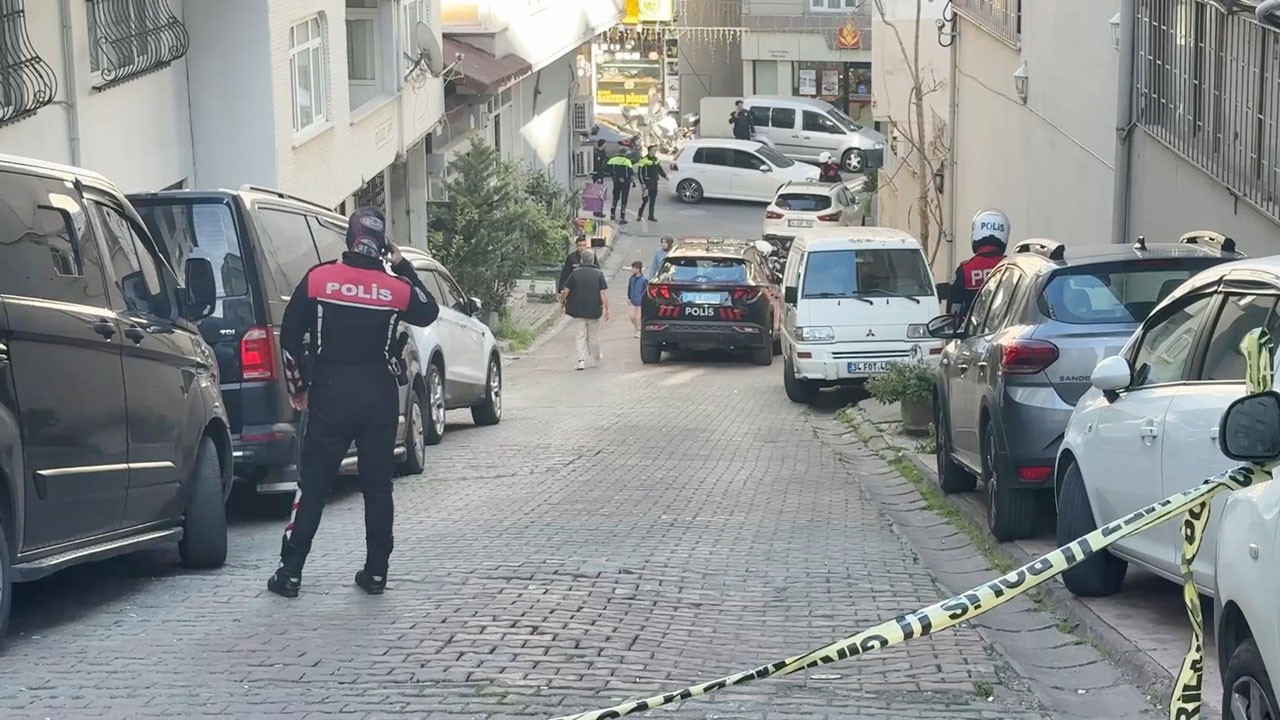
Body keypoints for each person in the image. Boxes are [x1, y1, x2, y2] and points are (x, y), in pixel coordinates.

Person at [269, 207, 440, 599]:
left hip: (330, 393)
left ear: (349, 239)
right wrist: (404, 267)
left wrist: (298, 387)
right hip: (379, 397)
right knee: (378, 489)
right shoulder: (394, 288)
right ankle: (376, 573)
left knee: (313, 486)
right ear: (383, 247)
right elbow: (428, 310)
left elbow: (290, 339)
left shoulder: (318, 278)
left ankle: (291, 572)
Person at [947, 208, 1011, 318]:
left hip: (971, 333)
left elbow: (953, 313)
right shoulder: (1011, 267)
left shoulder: (965, 270)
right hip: (1005, 332)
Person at [560, 249, 609, 370]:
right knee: (593, 336)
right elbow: (602, 292)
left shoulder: (575, 273)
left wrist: (562, 300)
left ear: (581, 260)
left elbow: (566, 290)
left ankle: (581, 360)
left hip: (578, 310)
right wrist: (607, 308)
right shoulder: (598, 273)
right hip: (594, 310)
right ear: (593, 260)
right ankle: (596, 359)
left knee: (580, 335)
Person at [635, 149, 668, 223]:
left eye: (655, 151)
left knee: (653, 200)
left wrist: (665, 176)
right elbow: (640, 173)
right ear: (649, 151)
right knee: (645, 200)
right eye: (653, 150)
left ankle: (651, 216)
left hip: (654, 182)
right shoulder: (644, 160)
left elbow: (659, 169)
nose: (654, 152)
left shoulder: (656, 160)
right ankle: (639, 215)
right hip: (647, 182)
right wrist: (642, 183)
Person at [607, 150, 635, 224]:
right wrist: (633, 182)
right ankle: (622, 218)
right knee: (624, 199)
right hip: (626, 182)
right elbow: (631, 173)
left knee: (615, 198)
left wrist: (613, 175)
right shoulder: (627, 161)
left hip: (616, 181)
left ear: (619, 153)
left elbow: (607, 168)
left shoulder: (613, 160)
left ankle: (612, 214)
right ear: (625, 153)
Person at [627, 261, 648, 339]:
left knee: (638, 317)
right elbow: (629, 288)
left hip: (640, 302)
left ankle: (638, 330)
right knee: (631, 316)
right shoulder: (632, 278)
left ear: (638, 269)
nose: (632, 269)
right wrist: (629, 297)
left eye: (633, 268)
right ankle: (637, 327)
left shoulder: (644, 280)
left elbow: (645, 291)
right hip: (633, 300)